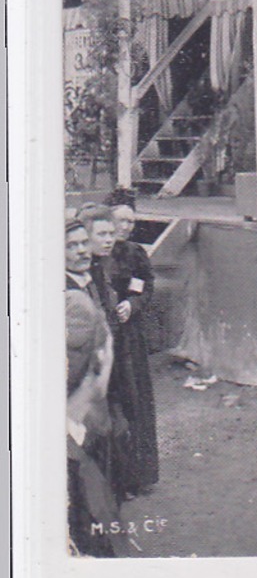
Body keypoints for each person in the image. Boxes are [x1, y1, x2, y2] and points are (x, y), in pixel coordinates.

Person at [65, 218, 124, 556]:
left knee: (101, 470)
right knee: (83, 479)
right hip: (80, 400)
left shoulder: (90, 279)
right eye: (71, 246)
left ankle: (104, 539)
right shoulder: (69, 296)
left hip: (98, 395)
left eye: (82, 243)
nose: (81, 251)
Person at [103, 187, 159, 496]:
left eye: (130, 222)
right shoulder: (96, 252)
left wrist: (132, 305)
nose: (126, 227)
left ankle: (139, 475)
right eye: (121, 220)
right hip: (106, 338)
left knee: (136, 402)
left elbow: (144, 285)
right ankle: (113, 478)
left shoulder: (135, 254)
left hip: (130, 338)